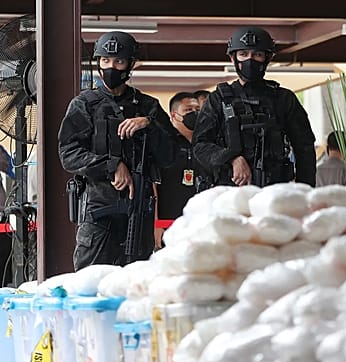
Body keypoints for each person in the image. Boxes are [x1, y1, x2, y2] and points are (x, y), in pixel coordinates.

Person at [58, 31, 175, 270]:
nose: (111, 67)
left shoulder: (148, 106)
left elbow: (171, 155)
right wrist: (112, 166)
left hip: (139, 210)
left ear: (130, 64)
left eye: (119, 61)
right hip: (99, 210)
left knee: (136, 278)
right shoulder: (85, 104)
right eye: (105, 60)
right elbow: (69, 153)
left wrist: (149, 125)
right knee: (90, 278)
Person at [193, 26, 316, 187]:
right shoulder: (217, 99)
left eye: (257, 55)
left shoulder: (283, 99)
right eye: (243, 54)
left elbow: (304, 148)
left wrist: (305, 190)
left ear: (267, 58)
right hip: (230, 189)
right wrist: (231, 158)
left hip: (275, 189)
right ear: (233, 58)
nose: (250, 60)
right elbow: (200, 146)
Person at [154, 92, 211, 248]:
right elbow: (153, 186)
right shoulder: (163, 144)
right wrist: (156, 223)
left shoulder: (206, 145)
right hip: (168, 225)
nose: (195, 114)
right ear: (174, 115)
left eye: (197, 109)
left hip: (199, 226)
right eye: (188, 110)